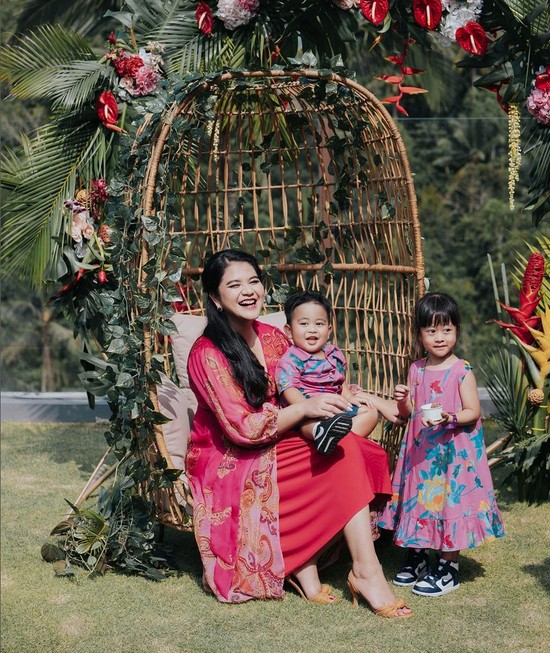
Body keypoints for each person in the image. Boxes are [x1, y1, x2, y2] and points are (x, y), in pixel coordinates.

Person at [184, 248, 413, 618]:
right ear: (215, 297)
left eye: (254, 281)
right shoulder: (207, 354)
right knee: (348, 451)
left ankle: (329, 563)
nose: (248, 291)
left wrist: (376, 401)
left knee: (357, 449)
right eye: (234, 284)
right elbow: (242, 429)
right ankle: (366, 573)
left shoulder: (274, 337)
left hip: (282, 435)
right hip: (233, 457)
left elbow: (316, 384)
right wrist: (304, 409)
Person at [378, 292, 505, 597]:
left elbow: (474, 411)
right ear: (419, 334)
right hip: (422, 454)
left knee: (450, 503)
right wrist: (402, 401)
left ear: (457, 331)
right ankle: (420, 555)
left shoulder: (462, 370)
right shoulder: (416, 369)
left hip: (453, 454)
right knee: (420, 501)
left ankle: (449, 566)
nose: (439, 337)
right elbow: (409, 414)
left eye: (446, 330)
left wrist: (450, 416)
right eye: (431, 330)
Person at [275, 290, 387, 455]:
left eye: (318, 324)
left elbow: (340, 381)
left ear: (328, 331)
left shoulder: (333, 354)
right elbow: (288, 389)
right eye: (304, 324)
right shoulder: (290, 360)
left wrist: (350, 399)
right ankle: (323, 433)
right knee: (308, 424)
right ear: (289, 330)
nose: (312, 330)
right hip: (310, 411)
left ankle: (337, 439)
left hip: (337, 409)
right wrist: (306, 407)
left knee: (370, 413)